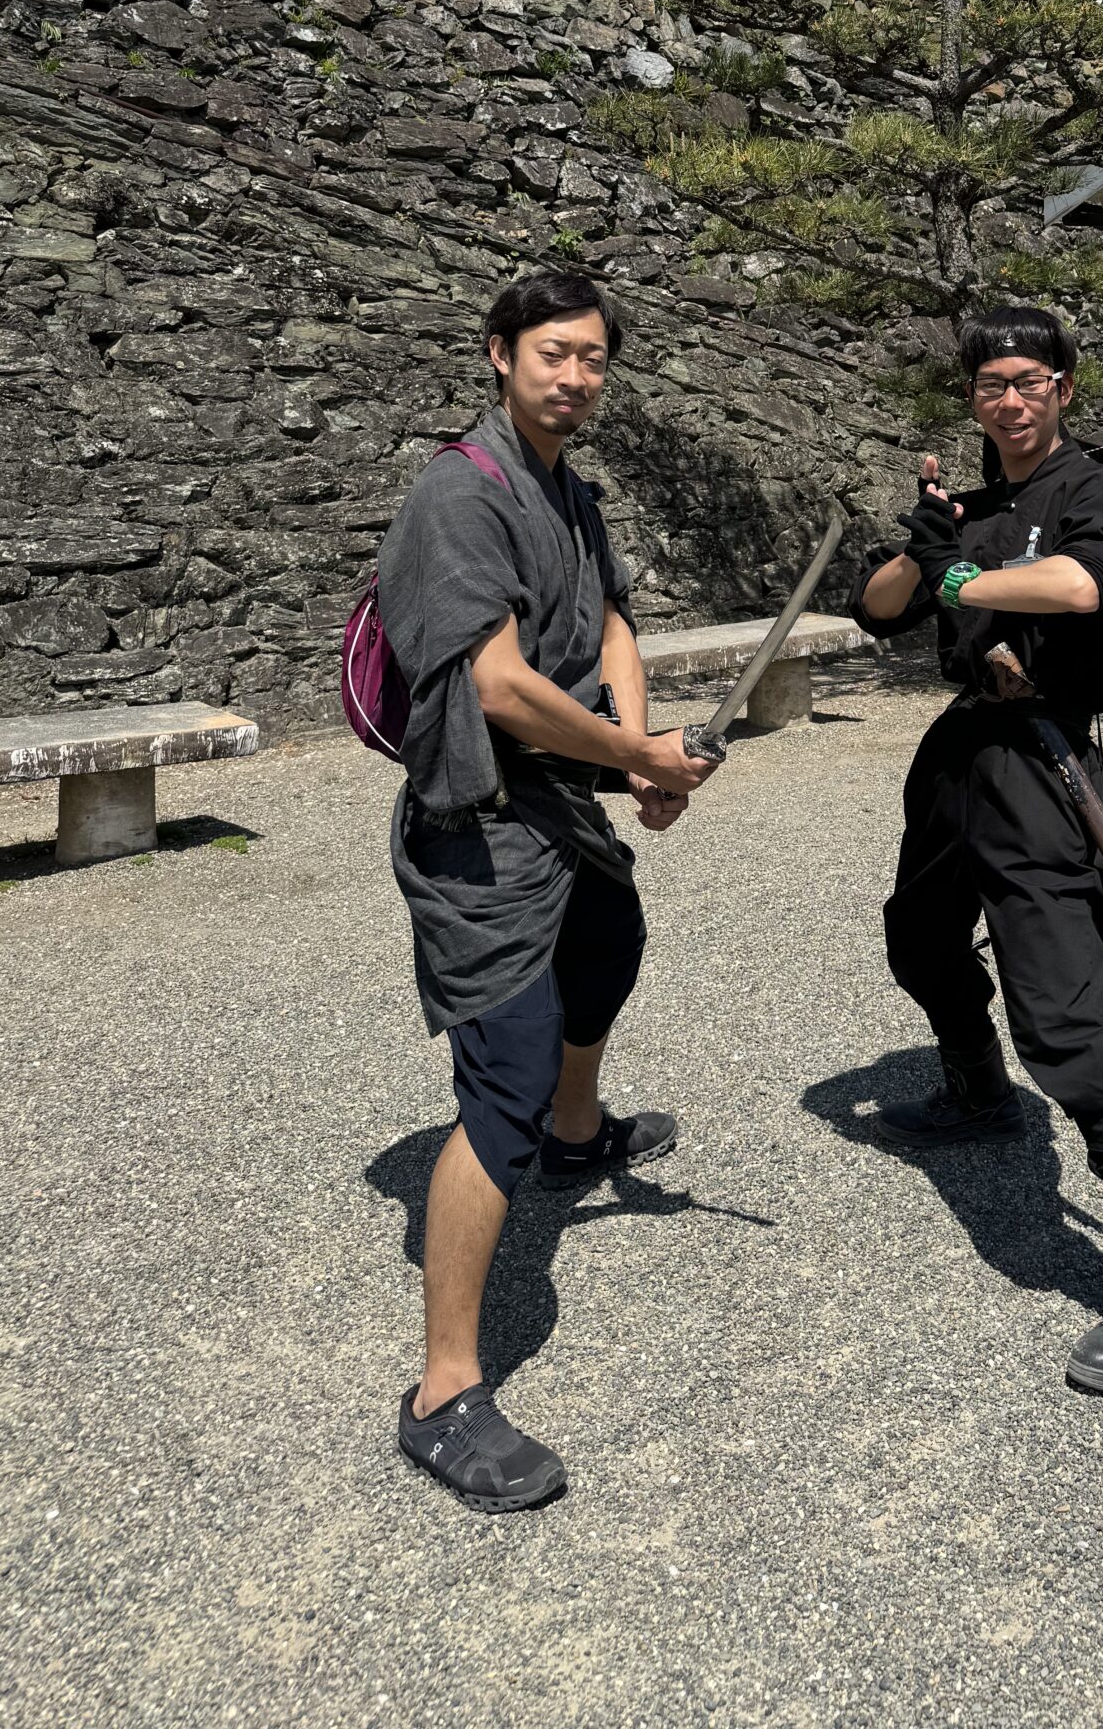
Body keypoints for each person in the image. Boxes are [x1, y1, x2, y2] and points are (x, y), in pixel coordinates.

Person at [376, 269, 716, 1511]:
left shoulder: (569, 487)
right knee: (501, 1086)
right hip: (480, 830)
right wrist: (638, 757)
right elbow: (504, 688)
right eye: (553, 353)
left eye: (593, 360)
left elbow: (614, 621)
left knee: (611, 945)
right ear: (498, 352)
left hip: (562, 812)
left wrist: (633, 754)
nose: (575, 377)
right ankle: (440, 1392)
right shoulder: (458, 497)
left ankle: (583, 1135)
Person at [851, 305, 1103, 1394]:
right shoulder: (968, 504)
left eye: (1026, 380)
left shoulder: (1092, 491)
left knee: (1062, 1017)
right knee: (918, 939)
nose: (1006, 400)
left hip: (1044, 760)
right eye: (987, 386)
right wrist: (919, 552)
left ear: (1063, 384)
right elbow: (877, 606)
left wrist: (961, 579)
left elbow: (1080, 585)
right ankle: (976, 1093)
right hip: (961, 746)